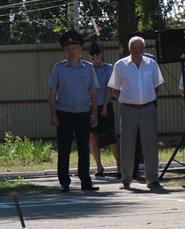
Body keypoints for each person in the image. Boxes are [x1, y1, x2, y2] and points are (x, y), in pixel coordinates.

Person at [108, 36, 164, 190]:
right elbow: (114, 88)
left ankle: (152, 178)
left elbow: (157, 86)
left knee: (150, 144)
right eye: (133, 48)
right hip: (128, 109)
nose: (136, 51)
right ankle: (126, 178)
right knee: (127, 144)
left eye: (138, 48)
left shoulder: (151, 64)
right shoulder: (121, 65)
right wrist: (126, 100)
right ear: (129, 49)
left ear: (143, 49)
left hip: (148, 108)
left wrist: (147, 99)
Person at [48, 30, 99, 193]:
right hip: (64, 113)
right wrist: (53, 114)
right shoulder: (58, 68)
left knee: (84, 148)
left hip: (84, 113)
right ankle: (64, 182)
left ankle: (86, 181)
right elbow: (52, 92)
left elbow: (94, 92)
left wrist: (95, 114)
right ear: (65, 51)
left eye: (74, 47)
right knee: (64, 149)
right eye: (68, 48)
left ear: (80, 50)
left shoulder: (89, 68)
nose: (71, 51)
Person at [87, 42, 120, 177]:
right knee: (92, 136)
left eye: (98, 58)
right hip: (90, 106)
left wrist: (105, 106)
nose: (96, 61)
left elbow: (109, 88)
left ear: (101, 56)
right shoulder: (86, 69)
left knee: (110, 136)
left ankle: (119, 165)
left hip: (104, 105)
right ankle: (99, 166)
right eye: (93, 58)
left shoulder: (108, 68)